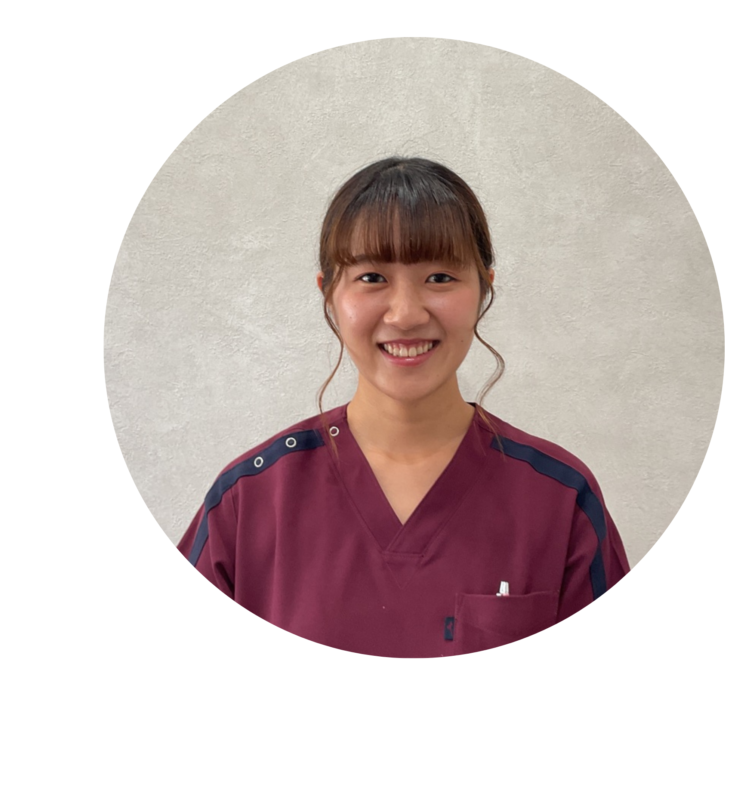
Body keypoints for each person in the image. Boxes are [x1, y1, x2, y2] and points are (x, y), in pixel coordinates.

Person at [178, 157, 629, 657]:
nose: (407, 314)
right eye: (372, 277)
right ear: (329, 294)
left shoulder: (559, 500)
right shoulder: (249, 502)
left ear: (484, 289)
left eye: (440, 277)